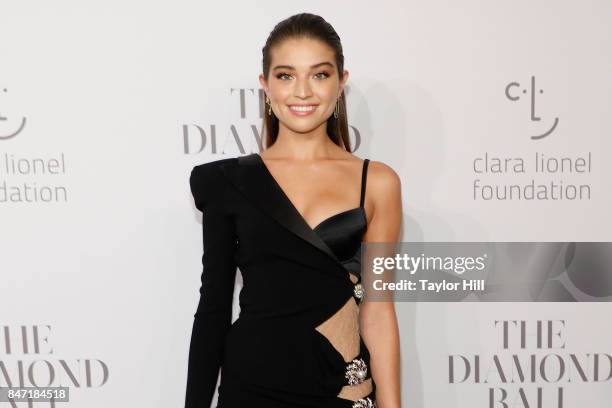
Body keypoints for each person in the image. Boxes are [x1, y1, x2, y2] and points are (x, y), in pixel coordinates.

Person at [185, 13, 402, 408]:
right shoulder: (226, 182)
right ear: (265, 85)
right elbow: (213, 309)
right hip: (251, 389)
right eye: (286, 76)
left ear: (341, 82)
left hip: (339, 387)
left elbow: (379, 309)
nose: (302, 91)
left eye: (319, 74)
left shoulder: (379, 182)